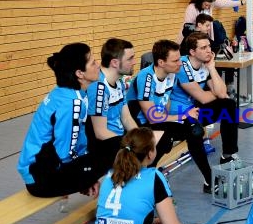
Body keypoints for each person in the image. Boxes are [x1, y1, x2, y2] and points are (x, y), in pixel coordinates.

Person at [89, 127, 223, 224]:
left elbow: (119, 213)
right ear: (150, 153)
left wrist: (149, 222)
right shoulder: (153, 176)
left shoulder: (111, 174)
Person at [126, 39, 215, 193]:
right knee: (165, 138)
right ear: (161, 62)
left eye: (180, 59)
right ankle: (145, 177)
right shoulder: (146, 78)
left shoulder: (171, 75)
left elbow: (165, 105)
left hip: (157, 119)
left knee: (195, 131)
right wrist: (183, 115)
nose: (180, 64)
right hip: (139, 123)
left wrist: (182, 118)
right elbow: (152, 117)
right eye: (175, 61)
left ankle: (209, 180)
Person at [18, 43, 104, 197]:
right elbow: (65, 152)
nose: (98, 65)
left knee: (102, 147)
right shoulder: (71, 104)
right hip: (41, 179)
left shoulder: (67, 92)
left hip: (40, 169)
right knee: (109, 154)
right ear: (79, 73)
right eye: (93, 62)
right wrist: (88, 177)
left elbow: (78, 138)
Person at [169, 32, 239, 166]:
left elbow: (223, 93)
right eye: (203, 48)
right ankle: (208, 175)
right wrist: (216, 92)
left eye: (209, 46)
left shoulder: (205, 64)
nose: (209, 51)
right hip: (179, 114)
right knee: (222, 101)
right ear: (192, 52)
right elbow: (203, 98)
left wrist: (212, 68)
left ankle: (227, 155)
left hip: (194, 110)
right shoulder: (183, 66)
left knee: (229, 104)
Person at [86, 38, 140, 174]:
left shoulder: (119, 82)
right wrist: (129, 147)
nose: (134, 61)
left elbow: (126, 118)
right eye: (130, 58)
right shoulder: (99, 87)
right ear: (115, 63)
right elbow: (100, 132)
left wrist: (141, 139)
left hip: (118, 140)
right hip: (103, 146)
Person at [177, 0, 244, 44]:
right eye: (206, 5)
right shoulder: (191, 7)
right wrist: (199, 30)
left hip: (203, 36)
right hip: (189, 38)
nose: (208, 7)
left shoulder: (210, 3)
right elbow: (187, 27)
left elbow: (224, 3)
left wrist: (240, 2)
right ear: (201, 1)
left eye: (210, 5)